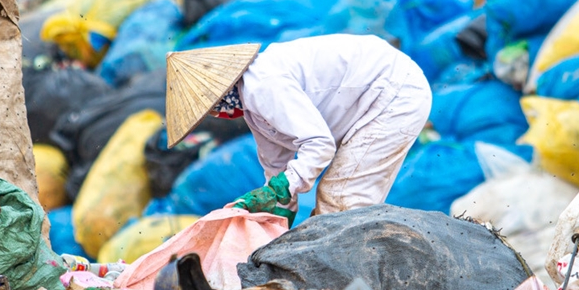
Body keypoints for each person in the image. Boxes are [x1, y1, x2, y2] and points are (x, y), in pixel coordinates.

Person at [164, 35, 431, 220]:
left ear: (217, 96)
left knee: (342, 200)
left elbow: (319, 144)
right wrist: (277, 208)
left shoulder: (262, 86)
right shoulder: (252, 103)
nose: (215, 114)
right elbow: (275, 165)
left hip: (395, 92)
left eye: (210, 108)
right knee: (333, 208)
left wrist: (281, 188)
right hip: (374, 97)